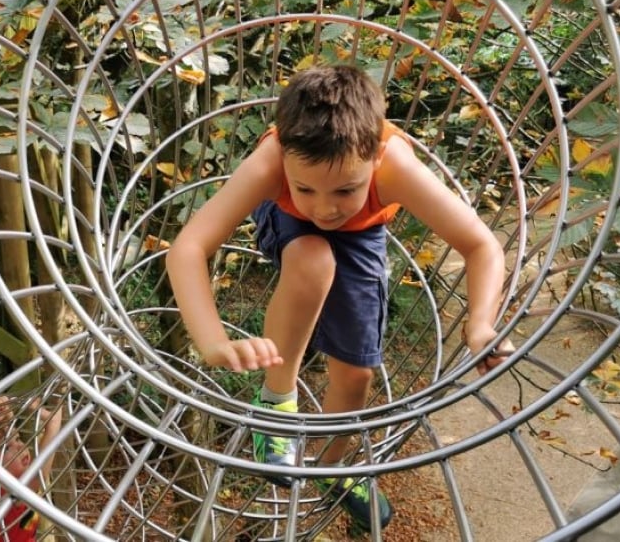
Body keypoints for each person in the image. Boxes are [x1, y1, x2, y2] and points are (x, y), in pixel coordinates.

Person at [165, 64, 512, 532]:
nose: (325, 207)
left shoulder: (395, 166)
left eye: (345, 188)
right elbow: (188, 248)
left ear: (373, 159)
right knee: (313, 256)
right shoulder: (273, 162)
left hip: (364, 231)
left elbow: (481, 246)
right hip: (287, 221)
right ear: (286, 156)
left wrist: (480, 324)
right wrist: (212, 340)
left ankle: (334, 469)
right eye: (308, 187)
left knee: (357, 372)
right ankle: (276, 401)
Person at [0, 395, 63, 541]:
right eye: (6, 448)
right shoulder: (3, 499)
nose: (20, 447)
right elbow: (39, 476)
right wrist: (53, 424)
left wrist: (6, 419)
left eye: (17, 438)